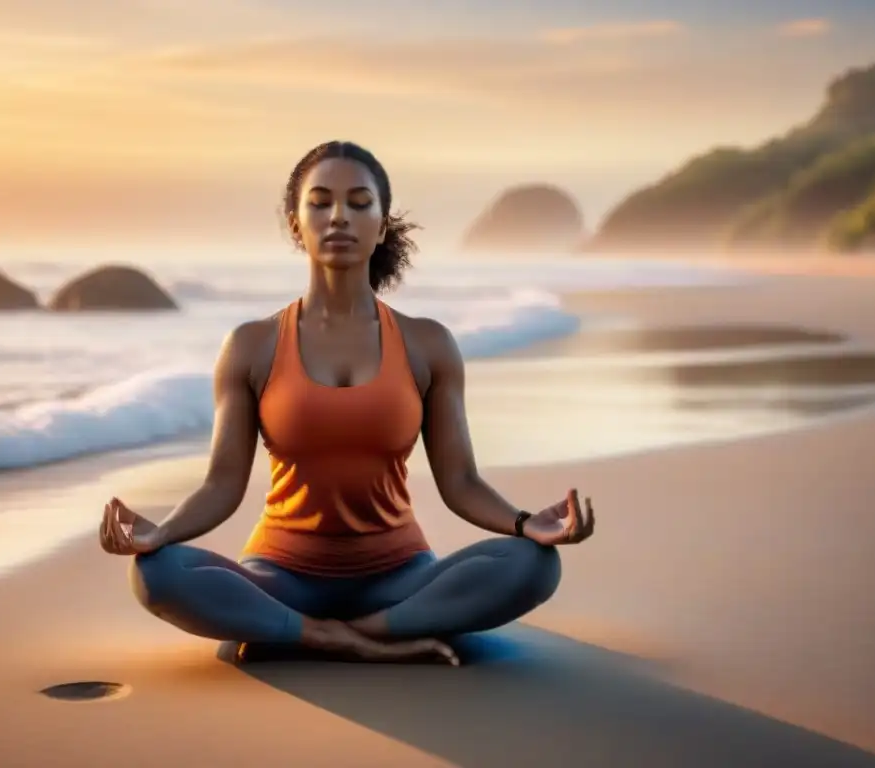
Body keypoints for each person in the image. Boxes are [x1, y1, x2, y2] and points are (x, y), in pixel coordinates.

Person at [99, 140, 596, 666]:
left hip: (400, 577)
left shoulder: (428, 344)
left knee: (535, 565)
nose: (339, 217)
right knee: (154, 574)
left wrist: (526, 525)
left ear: (382, 226)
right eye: (320, 202)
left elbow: (461, 483)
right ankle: (339, 636)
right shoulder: (252, 345)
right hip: (281, 577)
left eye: (360, 203)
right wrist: (162, 532)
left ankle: (326, 632)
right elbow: (222, 485)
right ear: (295, 224)